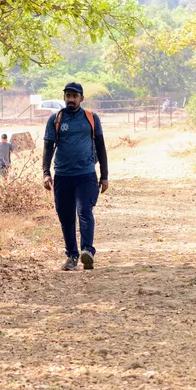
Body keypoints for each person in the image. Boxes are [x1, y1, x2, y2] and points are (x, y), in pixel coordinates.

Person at [42, 82, 109, 271]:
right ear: (64, 97)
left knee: (85, 211)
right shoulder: (55, 119)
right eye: (68, 96)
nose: (71, 99)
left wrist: (104, 175)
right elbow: (48, 147)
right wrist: (46, 173)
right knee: (65, 216)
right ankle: (71, 255)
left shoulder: (91, 118)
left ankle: (87, 250)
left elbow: (101, 147)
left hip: (86, 174)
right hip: (63, 176)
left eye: (74, 96)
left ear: (81, 98)